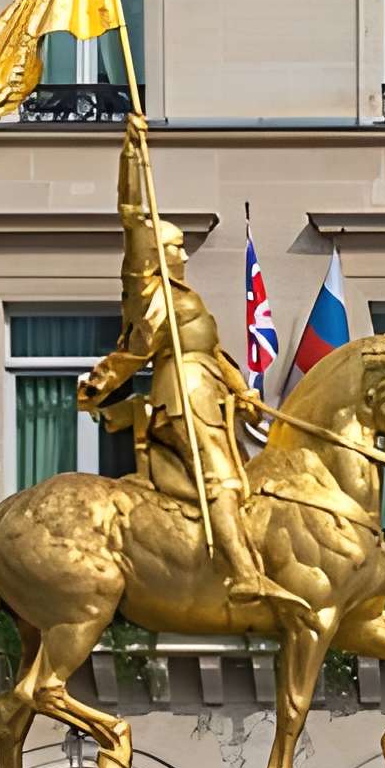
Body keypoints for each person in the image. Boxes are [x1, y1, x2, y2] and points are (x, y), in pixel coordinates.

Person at [78, 113, 308, 619]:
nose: (183, 253)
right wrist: (133, 155)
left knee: (246, 481)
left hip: (208, 394)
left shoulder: (188, 297)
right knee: (221, 482)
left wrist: (242, 391)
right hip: (179, 398)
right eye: (176, 246)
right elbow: (133, 217)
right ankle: (246, 577)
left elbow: (214, 353)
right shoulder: (149, 290)